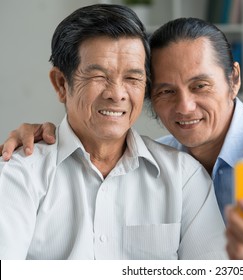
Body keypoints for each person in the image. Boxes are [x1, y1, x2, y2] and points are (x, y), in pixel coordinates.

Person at [0, 17, 243, 260]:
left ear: (233, 79)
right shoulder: (173, 157)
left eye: (200, 86)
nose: (185, 106)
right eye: (166, 90)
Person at [0, 4, 227, 260]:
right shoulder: (18, 175)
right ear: (62, 84)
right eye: (99, 76)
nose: (117, 94)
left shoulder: (184, 178)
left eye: (132, 78)